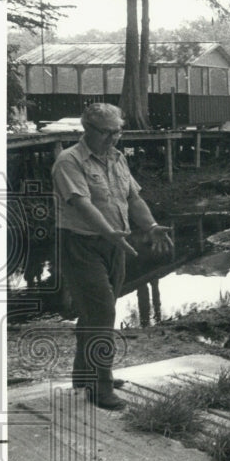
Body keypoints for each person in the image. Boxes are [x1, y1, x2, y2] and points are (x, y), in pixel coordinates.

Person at [51, 103, 174, 409]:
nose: (113, 137)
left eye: (117, 130)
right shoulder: (69, 162)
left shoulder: (118, 159)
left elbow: (133, 198)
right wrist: (109, 233)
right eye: (106, 132)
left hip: (114, 244)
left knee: (96, 310)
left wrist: (151, 225)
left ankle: (83, 374)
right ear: (88, 130)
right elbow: (82, 204)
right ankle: (100, 388)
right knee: (102, 312)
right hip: (80, 243)